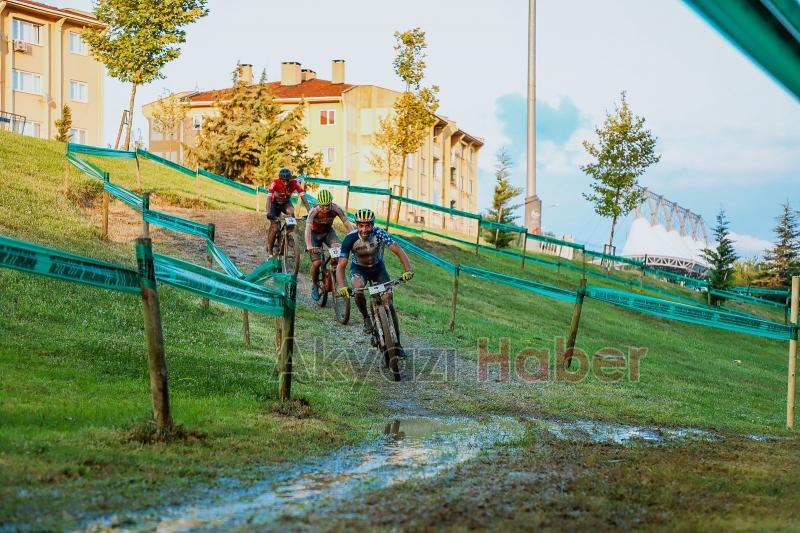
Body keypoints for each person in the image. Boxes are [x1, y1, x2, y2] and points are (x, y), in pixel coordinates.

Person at [336, 208, 413, 355]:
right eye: (361, 225)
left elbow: (397, 250)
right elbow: (341, 266)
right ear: (357, 225)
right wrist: (342, 286)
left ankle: (397, 343)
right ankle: (366, 318)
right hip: (359, 270)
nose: (364, 229)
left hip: (378, 269)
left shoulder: (380, 233)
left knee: (388, 300)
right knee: (358, 288)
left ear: (372, 225)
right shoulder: (350, 238)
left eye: (368, 225)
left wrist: (407, 269)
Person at [304, 189, 354, 301]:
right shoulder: (314, 211)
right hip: (314, 235)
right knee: (317, 263)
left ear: (331, 203)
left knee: (338, 252)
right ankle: (315, 284)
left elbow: (346, 223)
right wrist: (309, 245)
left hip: (328, 233)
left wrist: (354, 237)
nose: (325, 208)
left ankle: (332, 271)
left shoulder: (336, 209)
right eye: (322, 206)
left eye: (327, 205)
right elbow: (307, 230)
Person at [266, 167, 311, 258]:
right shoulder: (275, 183)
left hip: (285, 203)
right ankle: (270, 250)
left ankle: (289, 234)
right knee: (275, 228)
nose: (286, 182)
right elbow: (268, 199)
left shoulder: (295, 183)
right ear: (280, 179)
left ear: (290, 179)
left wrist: (310, 212)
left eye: (287, 180)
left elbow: (304, 199)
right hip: (274, 205)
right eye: (283, 180)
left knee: (291, 212)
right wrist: (268, 212)